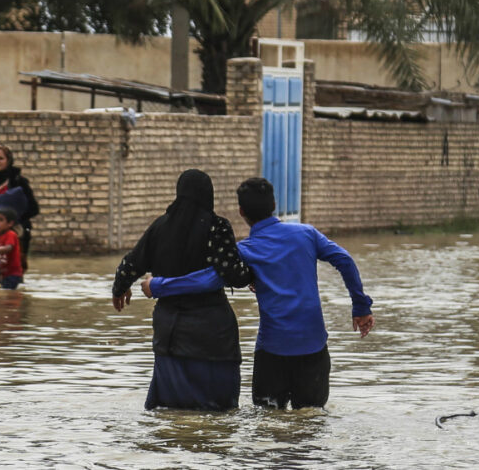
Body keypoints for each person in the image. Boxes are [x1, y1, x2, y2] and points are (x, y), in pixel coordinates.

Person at [146, 177, 375, 410]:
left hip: (272, 353)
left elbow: (208, 279)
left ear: (241, 211)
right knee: (310, 422)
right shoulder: (306, 234)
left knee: (267, 423)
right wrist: (361, 307)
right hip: (313, 348)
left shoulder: (245, 250)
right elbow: (344, 260)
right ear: (274, 205)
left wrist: (158, 285)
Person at [110, 169, 252, 411]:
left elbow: (132, 263)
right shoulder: (217, 227)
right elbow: (235, 276)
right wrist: (252, 271)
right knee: (218, 415)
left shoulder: (161, 227)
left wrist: (119, 288)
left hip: (171, 334)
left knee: (171, 412)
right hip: (212, 335)